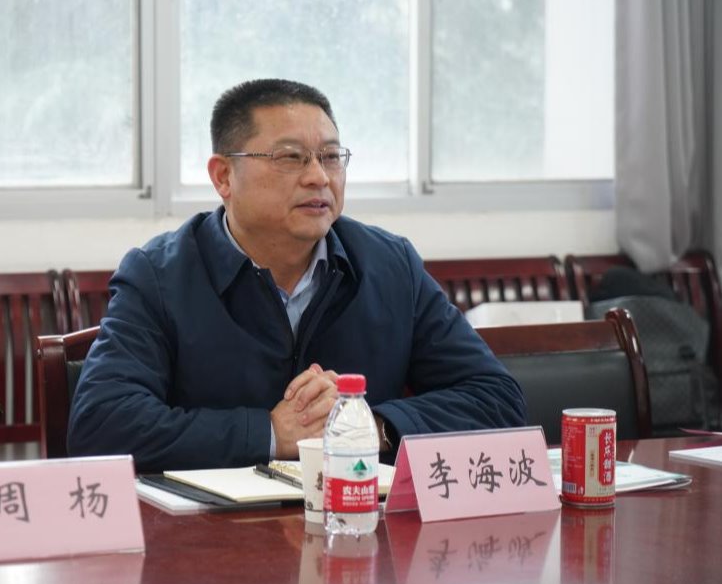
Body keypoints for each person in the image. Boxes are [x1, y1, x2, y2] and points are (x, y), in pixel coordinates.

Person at [68, 78, 526, 472]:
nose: (318, 177)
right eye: (291, 157)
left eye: (331, 157)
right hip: (212, 537)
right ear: (224, 176)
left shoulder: (391, 266)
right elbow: (101, 426)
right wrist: (270, 433)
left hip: (359, 527)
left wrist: (367, 427)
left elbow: (496, 398)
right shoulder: (159, 276)